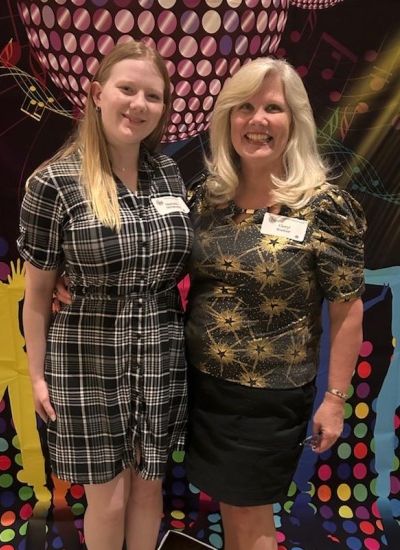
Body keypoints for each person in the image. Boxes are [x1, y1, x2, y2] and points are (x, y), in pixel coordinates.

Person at [183, 56, 366, 550]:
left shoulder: (323, 207)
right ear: (227, 119)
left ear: (295, 121)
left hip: (269, 396)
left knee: (252, 512)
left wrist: (335, 400)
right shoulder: (207, 198)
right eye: (244, 107)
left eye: (272, 108)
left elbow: (347, 311)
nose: (257, 120)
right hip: (204, 387)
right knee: (229, 504)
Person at [17, 40, 193, 550]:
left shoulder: (168, 174)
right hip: (86, 356)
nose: (139, 105)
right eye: (127, 89)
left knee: (149, 490)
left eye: (153, 96)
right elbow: (37, 295)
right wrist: (37, 376)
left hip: (160, 348)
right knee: (110, 499)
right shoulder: (54, 183)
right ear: (97, 93)